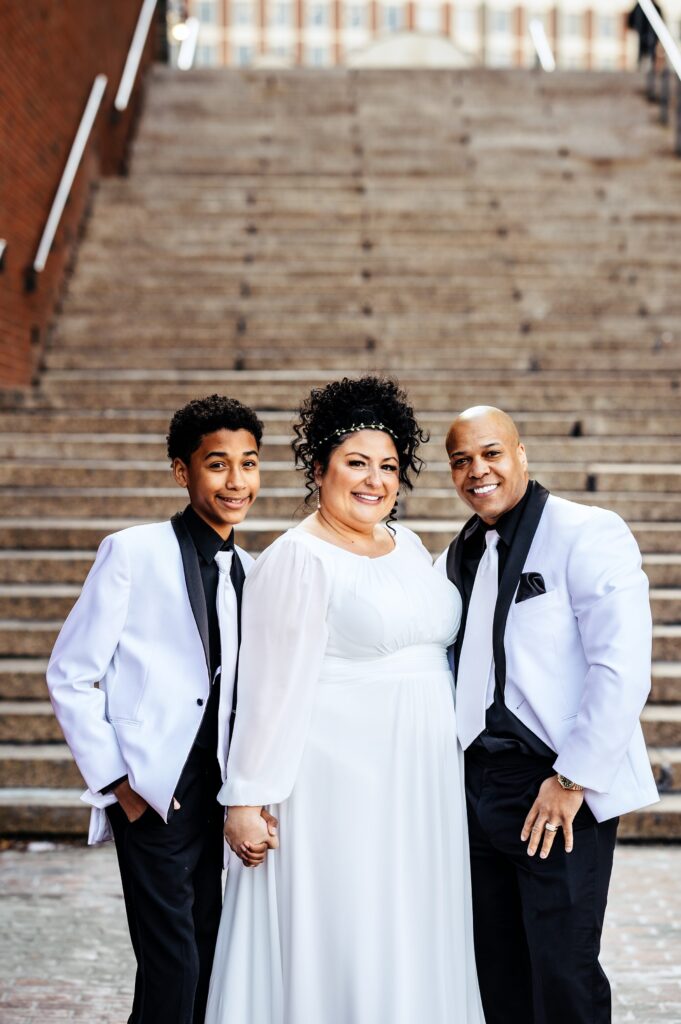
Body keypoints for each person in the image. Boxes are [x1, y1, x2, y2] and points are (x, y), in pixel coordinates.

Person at [205, 376, 485, 1024]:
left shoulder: (409, 546)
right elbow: (268, 688)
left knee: (415, 926)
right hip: (336, 789)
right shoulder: (297, 559)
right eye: (356, 463)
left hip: (421, 785)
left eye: (388, 466)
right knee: (349, 932)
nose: (374, 481)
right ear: (318, 468)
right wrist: (245, 798)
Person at [46, 394, 274, 1024]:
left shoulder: (253, 572)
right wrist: (121, 785)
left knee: (207, 945)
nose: (237, 482)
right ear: (183, 472)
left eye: (250, 464)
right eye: (218, 464)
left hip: (220, 793)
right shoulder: (132, 553)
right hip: (152, 790)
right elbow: (70, 674)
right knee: (174, 958)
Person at [436, 405, 659, 1024]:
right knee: (496, 970)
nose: (476, 471)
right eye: (461, 461)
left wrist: (571, 781)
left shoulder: (587, 530)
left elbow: (621, 669)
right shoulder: (458, 554)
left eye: (490, 454)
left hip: (555, 784)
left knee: (563, 972)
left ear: (521, 454)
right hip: (477, 787)